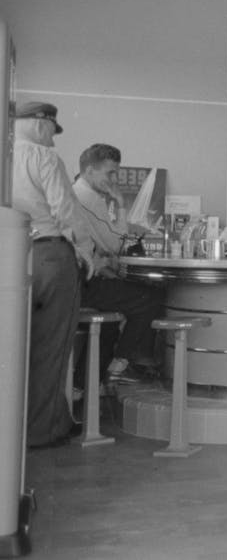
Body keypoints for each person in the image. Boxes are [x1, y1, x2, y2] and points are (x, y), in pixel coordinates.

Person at [12, 101, 94, 448]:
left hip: (13, 255)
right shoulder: (44, 158)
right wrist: (88, 252)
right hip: (50, 256)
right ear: (41, 124)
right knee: (52, 349)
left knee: (16, 349)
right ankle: (42, 431)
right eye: (52, 131)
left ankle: (23, 428)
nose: (53, 140)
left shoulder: (6, 156)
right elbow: (65, 210)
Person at [73, 143, 165, 383]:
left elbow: (95, 245)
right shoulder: (89, 198)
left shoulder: (78, 193)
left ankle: (83, 386)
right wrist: (121, 205)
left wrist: (103, 264)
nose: (114, 179)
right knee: (152, 297)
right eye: (110, 173)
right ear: (90, 171)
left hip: (77, 281)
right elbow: (115, 244)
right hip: (83, 285)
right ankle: (122, 363)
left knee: (109, 325)